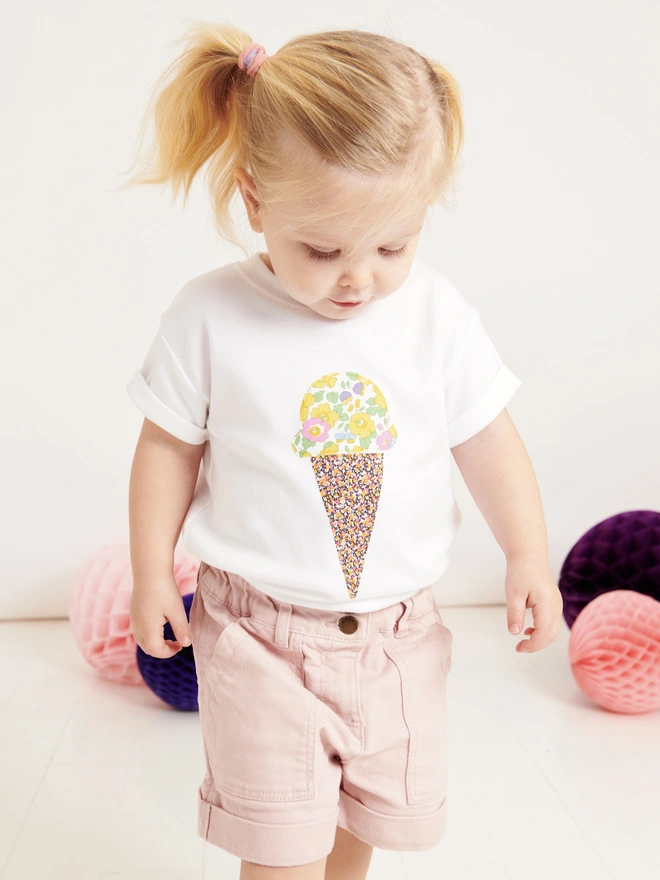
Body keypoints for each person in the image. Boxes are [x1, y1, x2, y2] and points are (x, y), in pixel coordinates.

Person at [124, 22, 563, 880]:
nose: (358, 277)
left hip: (399, 639)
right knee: (282, 851)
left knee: (360, 828)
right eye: (322, 250)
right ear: (255, 203)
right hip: (259, 639)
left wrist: (529, 555)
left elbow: (487, 437)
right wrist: (150, 573)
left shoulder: (434, 316)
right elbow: (166, 449)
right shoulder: (211, 315)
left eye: (393, 246)